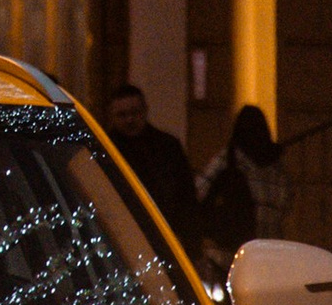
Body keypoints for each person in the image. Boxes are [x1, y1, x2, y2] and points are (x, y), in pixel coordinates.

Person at [104, 81, 203, 252]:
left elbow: (186, 199)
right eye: (122, 115)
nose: (129, 120)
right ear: (112, 116)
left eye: (134, 113)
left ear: (145, 111)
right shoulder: (105, 150)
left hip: (164, 236)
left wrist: (192, 244)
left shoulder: (167, 147)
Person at [198, 101, 289, 263]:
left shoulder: (228, 159)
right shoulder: (277, 168)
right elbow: (285, 205)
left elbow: (199, 190)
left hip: (230, 250)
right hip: (269, 250)